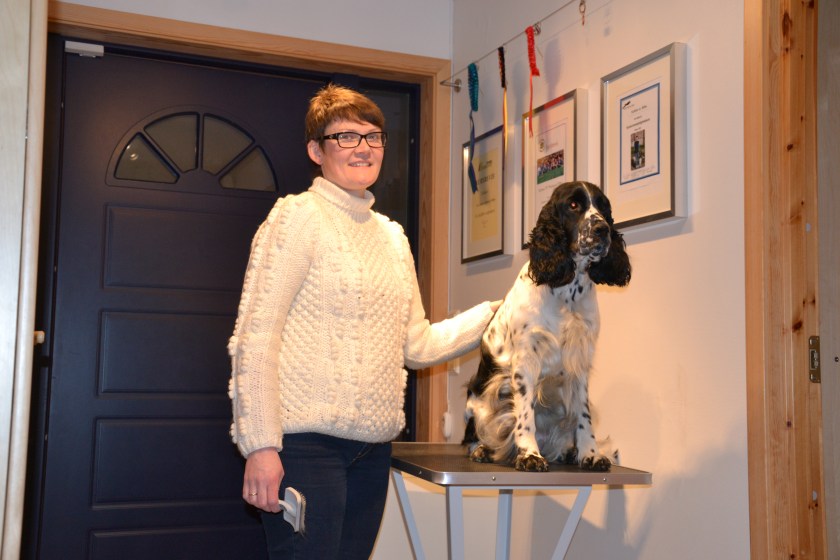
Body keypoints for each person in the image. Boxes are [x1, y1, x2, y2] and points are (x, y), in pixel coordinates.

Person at [228, 84, 500, 559]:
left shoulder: (393, 238)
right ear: (316, 151)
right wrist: (260, 446)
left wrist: (497, 313)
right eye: (346, 137)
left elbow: (417, 345)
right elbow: (256, 338)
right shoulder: (297, 217)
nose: (363, 148)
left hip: (372, 453)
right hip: (304, 448)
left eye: (373, 137)